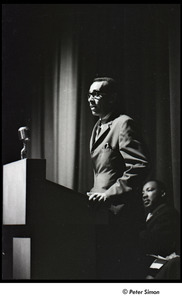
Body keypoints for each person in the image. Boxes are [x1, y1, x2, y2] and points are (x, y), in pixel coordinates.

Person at [86, 77, 150, 279]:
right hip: (102, 215)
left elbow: (139, 165)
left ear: (112, 98)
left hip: (121, 215)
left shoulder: (123, 123)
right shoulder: (97, 127)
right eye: (89, 94)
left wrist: (109, 194)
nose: (91, 99)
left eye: (97, 94)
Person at [139, 180, 180, 279]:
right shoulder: (150, 215)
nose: (144, 195)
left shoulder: (167, 213)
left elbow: (161, 245)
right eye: (143, 193)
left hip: (163, 264)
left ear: (162, 193)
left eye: (149, 190)